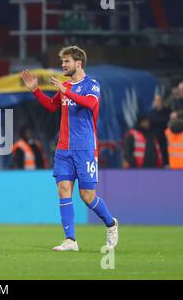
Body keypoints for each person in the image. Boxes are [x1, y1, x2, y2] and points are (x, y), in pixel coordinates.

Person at [21, 45, 118, 252]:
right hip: (63, 149)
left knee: (87, 196)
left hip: (85, 148)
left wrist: (67, 91)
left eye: (66, 61)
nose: (63, 65)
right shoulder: (65, 86)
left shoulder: (92, 85)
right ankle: (70, 240)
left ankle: (111, 224)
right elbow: (51, 106)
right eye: (62, 62)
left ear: (78, 63)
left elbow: (90, 104)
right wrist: (36, 91)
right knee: (63, 190)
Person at [148, 94, 171, 166]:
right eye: (156, 100)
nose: (158, 102)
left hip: (166, 139)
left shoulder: (168, 111)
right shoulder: (151, 113)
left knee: (165, 156)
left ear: (163, 101)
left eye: (160, 100)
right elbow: (149, 126)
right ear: (154, 102)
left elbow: (169, 124)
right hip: (155, 138)